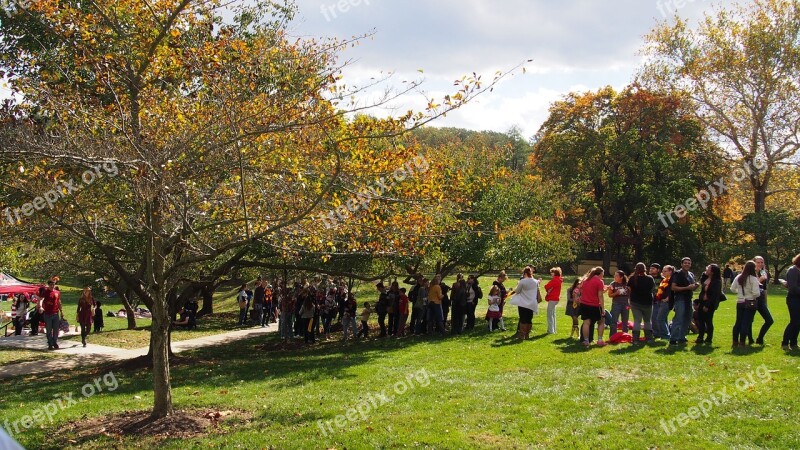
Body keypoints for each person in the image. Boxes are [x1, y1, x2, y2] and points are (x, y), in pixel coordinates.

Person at [731, 260, 760, 348]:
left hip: (740, 302)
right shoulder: (753, 279)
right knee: (745, 323)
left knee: (738, 322)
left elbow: (732, 289)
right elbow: (756, 293)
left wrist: (739, 293)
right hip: (750, 302)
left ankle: (735, 341)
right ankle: (742, 342)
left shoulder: (739, 277)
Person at [670, 258, 699, 346]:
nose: (687, 264)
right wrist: (687, 288)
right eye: (685, 263)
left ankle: (682, 337)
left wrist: (696, 286)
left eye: (689, 263)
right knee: (678, 318)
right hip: (680, 299)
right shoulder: (677, 274)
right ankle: (673, 339)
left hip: (688, 299)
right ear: (681, 264)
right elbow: (673, 287)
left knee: (688, 318)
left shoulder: (691, 274)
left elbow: (691, 286)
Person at [508, 267, 540, 340]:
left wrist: (517, 285)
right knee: (529, 319)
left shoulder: (522, 281)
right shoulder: (535, 281)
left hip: (523, 302)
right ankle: (527, 334)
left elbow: (518, 291)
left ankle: (522, 335)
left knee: (523, 318)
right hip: (532, 303)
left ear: (525, 273)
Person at [576, 267, 605, 347]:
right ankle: (599, 340)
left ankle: (586, 340)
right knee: (601, 321)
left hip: (584, 304)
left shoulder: (585, 280)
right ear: (599, 274)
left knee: (586, 322)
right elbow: (600, 296)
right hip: (594, 305)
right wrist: (603, 308)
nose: (603, 276)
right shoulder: (599, 281)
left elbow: (581, 291)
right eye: (602, 274)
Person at [628, 263, 656, 344]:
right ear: (645, 269)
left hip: (635, 302)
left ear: (635, 269)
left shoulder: (632, 278)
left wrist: (629, 300)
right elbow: (653, 289)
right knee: (647, 321)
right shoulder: (650, 278)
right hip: (647, 302)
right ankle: (649, 338)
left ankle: (635, 339)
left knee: (637, 321)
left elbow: (629, 290)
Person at [696, 264, 722, 345]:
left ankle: (709, 338)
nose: (706, 269)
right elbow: (701, 282)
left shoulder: (717, 281)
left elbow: (714, 295)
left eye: (709, 269)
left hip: (710, 303)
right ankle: (700, 337)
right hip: (702, 301)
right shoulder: (705, 278)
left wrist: (707, 305)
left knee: (708, 320)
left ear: (713, 272)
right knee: (700, 320)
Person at [780, 253, 800, 351]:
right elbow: (793, 288)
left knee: (798, 322)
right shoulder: (793, 270)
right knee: (794, 321)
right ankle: (785, 343)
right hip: (793, 299)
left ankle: (794, 343)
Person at [753, 256, 774, 345]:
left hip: (761, 300)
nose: (760, 264)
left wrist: (765, 302)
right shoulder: (750, 273)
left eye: (762, 262)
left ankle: (760, 338)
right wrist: (759, 280)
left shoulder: (763, 273)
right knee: (749, 321)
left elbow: (765, 289)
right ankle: (749, 340)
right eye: (758, 262)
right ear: (754, 263)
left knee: (769, 320)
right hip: (751, 299)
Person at [41, 278, 64, 350]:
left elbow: (59, 302)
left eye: (53, 284)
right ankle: (50, 343)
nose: (52, 286)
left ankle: (54, 342)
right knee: (48, 330)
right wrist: (41, 307)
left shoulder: (57, 292)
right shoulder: (45, 292)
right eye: (51, 284)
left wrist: (61, 311)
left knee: (56, 330)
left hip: (55, 313)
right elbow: (41, 299)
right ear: (48, 285)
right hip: (47, 313)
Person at [652, 266, 674, 341]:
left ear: (670, 272)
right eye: (663, 271)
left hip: (667, 302)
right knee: (663, 319)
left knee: (659, 319)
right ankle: (666, 335)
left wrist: (667, 298)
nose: (663, 272)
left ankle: (665, 336)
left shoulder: (671, 280)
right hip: (661, 301)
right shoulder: (665, 280)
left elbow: (672, 291)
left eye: (665, 271)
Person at [607, 270, 630, 336]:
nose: (614, 276)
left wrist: (629, 304)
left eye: (616, 275)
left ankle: (625, 335)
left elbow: (631, 294)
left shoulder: (627, 284)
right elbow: (609, 295)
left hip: (626, 304)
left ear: (621, 277)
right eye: (615, 275)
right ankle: (613, 336)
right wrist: (616, 293)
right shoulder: (613, 284)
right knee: (614, 321)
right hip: (616, 304)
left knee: (625, 321)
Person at [544, 267, 563, 334]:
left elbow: (546, 286)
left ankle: (550, 330)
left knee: (550, 315)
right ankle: (554, 329)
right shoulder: (559, 280)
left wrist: (548, 289)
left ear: (555, 273)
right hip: (556, 298)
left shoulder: (555, 280)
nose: (551, 274)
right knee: (553, 314)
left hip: (552, 298)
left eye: (552, 272)